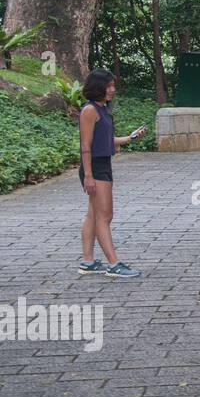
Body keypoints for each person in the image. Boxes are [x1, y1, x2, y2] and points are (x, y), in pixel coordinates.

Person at [77, 69, 147, 278]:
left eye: (113, 86)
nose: (112, 90)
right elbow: (86, 146)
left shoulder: (103, 109)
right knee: (104, 216)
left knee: (93, 215)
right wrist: (88, 175)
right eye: (108, 86)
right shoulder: (89, 110)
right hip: (95, 167)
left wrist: (130, 138)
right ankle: (113, 264)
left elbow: (106, 140)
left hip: (103, 165)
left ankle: (87, 262)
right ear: (97, 87)